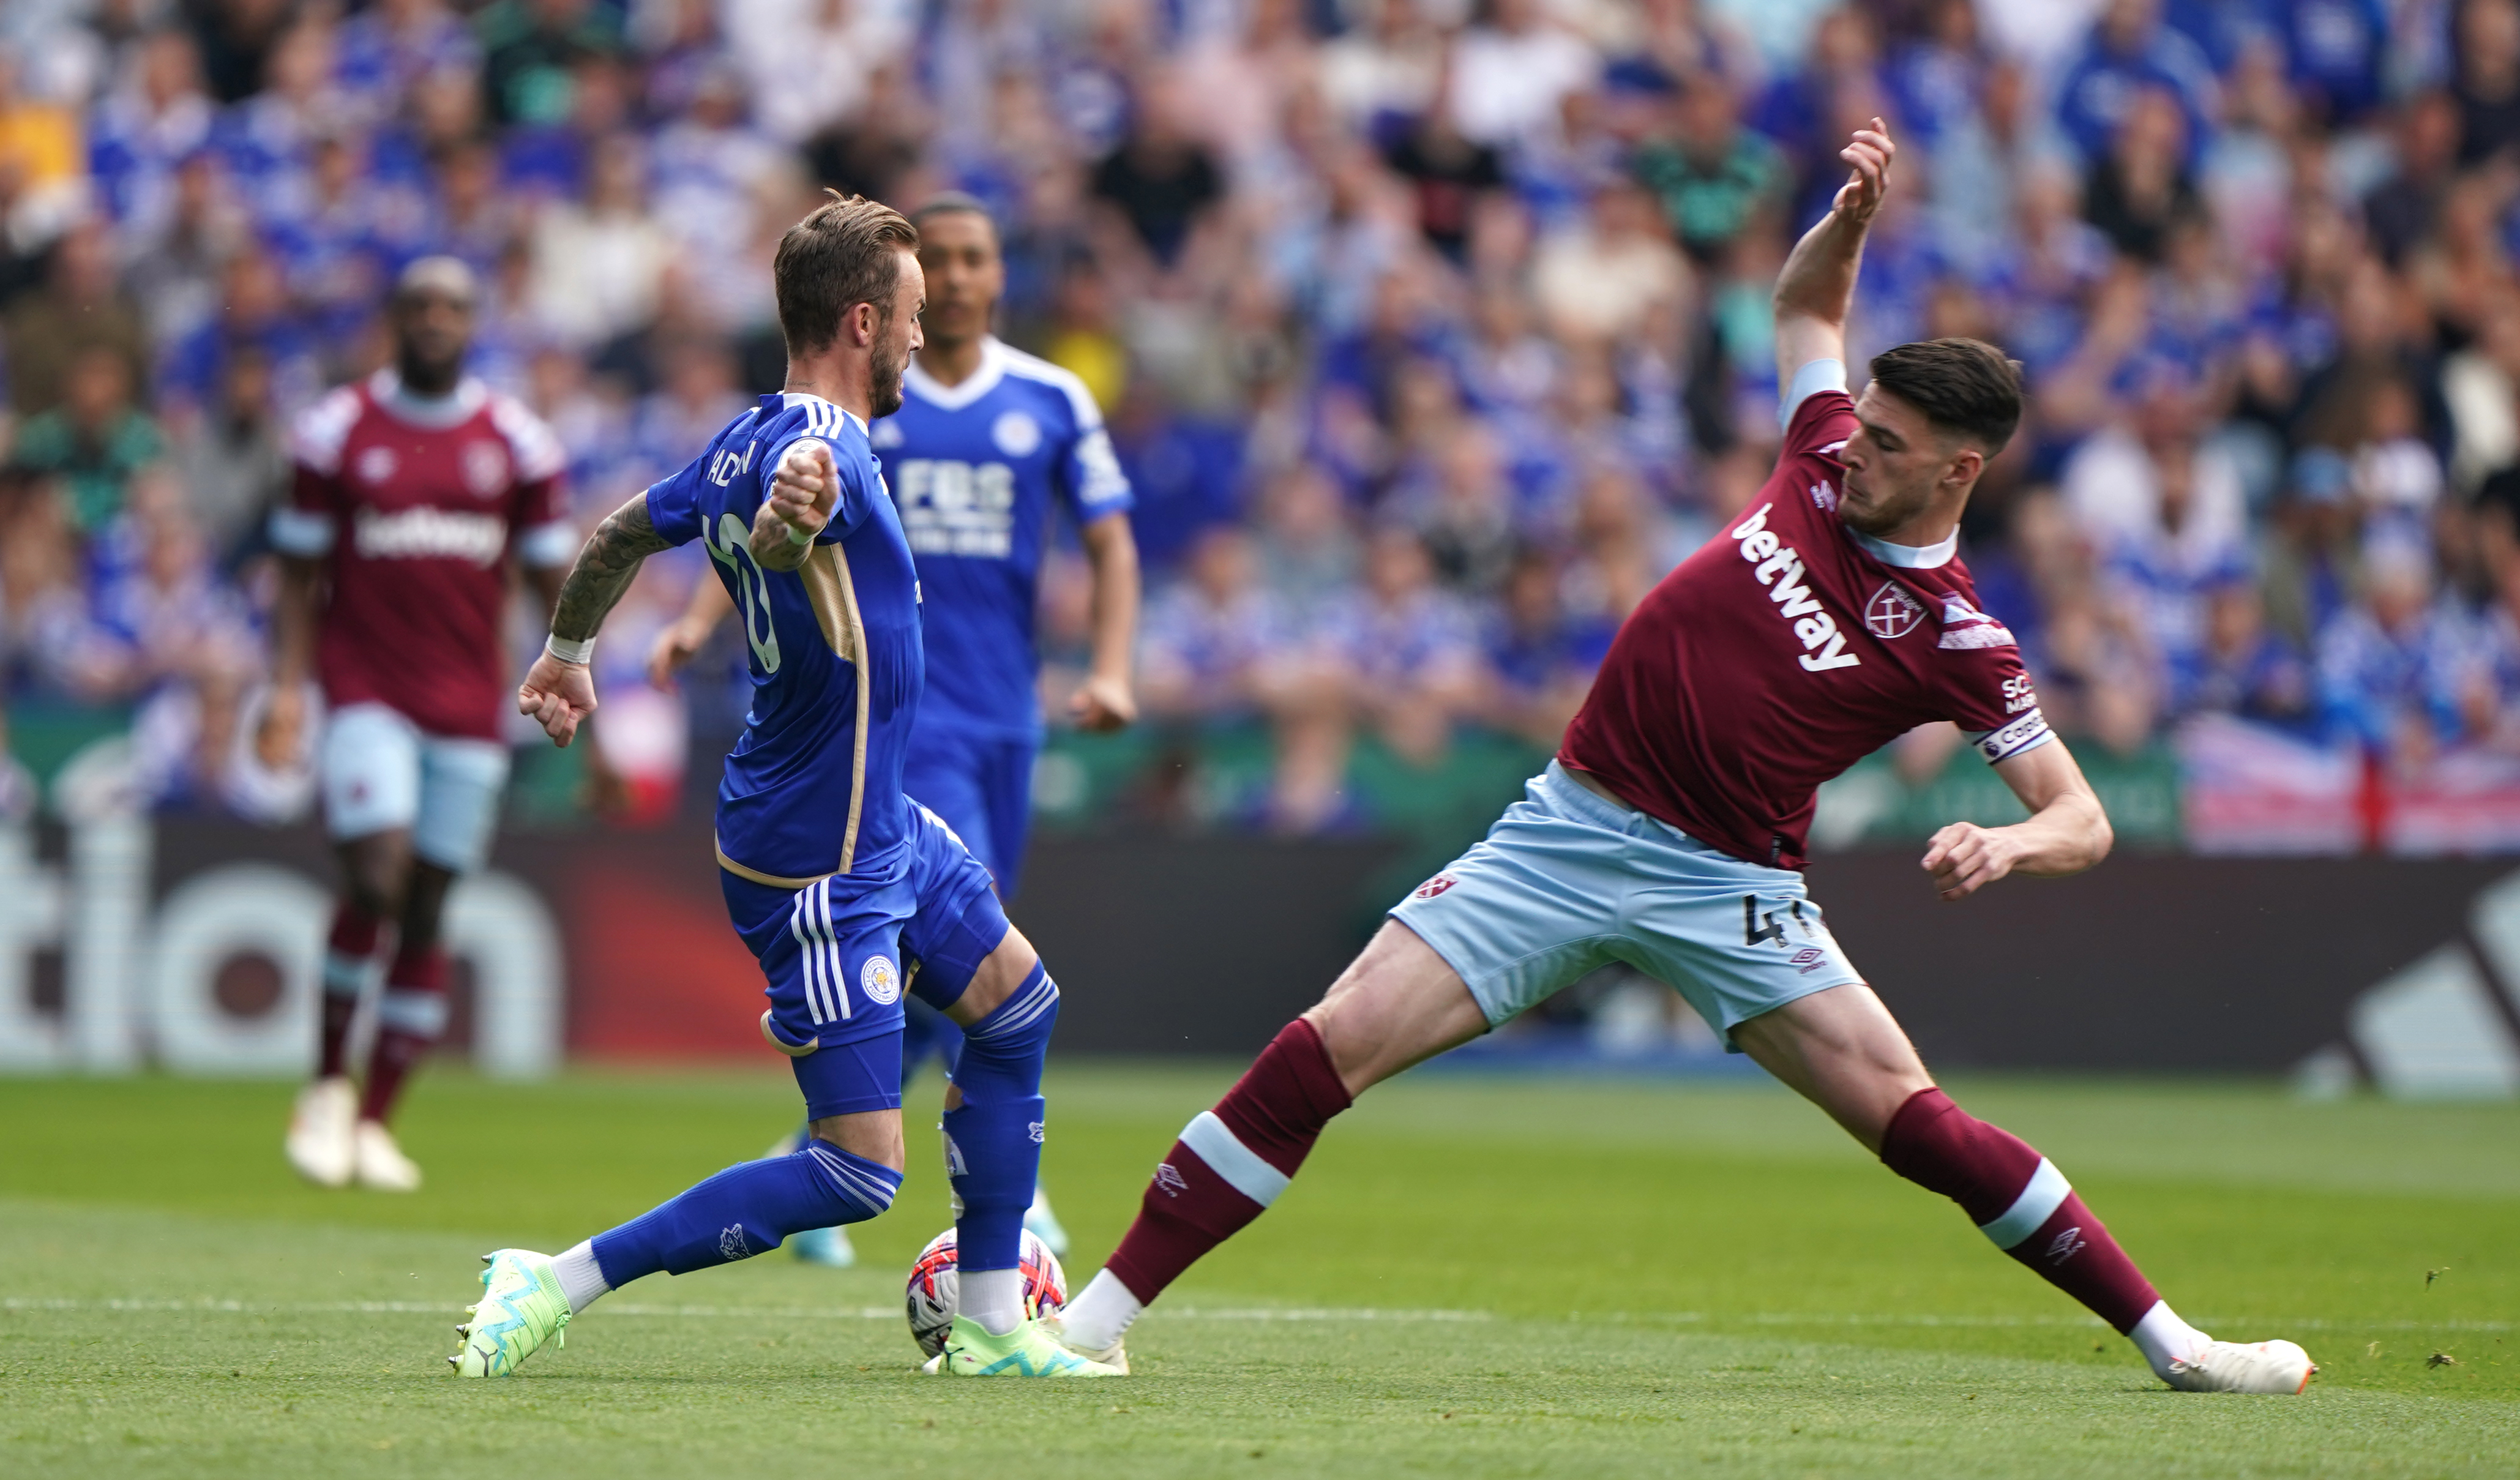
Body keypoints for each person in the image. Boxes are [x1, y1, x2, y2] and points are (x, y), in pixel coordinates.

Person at [1047, 121, 2318, 1396]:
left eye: (1886, 445)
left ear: (1957, 470)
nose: (1851, 449)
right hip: (1566, 832)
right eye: (1860, 427)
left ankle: (2175, 1345)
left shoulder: (1957, 638)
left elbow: (2081, 818)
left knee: (1918, 1126)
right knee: (1323, 1051)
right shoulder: (1821, 457)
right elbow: (1803, 306)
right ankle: (1089, 1329)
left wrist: (2007, 840)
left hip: (1731, 892)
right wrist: (1853, 222)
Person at [454, 193, 1118, 1380]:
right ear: (865, 320)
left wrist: (565, 652)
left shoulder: (743, 433)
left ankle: (989, 1329)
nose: (923, 335)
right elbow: (784, 526)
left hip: (879, 819)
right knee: (858, 1170)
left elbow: (613, 536)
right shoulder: (825, 447)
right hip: (817, 854)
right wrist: (783, 527)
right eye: (912, 314)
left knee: (1018, 1009)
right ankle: (553, 1279)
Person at [649, 193, 1140, 1268]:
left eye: (974, 259)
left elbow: (1109, 540)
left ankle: (852, 1144)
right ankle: (965, 1201)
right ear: (873, 310)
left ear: (999, 276)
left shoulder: (1048, 399)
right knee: (960, 962)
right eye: (940, 263)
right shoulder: (859, 413)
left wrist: (1107, 667)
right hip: (900, 738)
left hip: (1006, 713)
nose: (955, 280)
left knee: (986, 977)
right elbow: (775, 537)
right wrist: (696, 618)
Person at [264, 256, 575, 1193]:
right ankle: (324, 1083)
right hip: (365, 689)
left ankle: (374, 1120)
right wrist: (286, 688)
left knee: (431, 904)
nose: (436, 320)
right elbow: (295, 574)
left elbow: (547, 578)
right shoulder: (335, 431)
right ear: (393, 323)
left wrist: (573, 672)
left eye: (453, 306)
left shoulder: (517, 443)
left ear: (473, 322)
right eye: (420, 307)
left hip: (466, 706)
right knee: (377, 870)